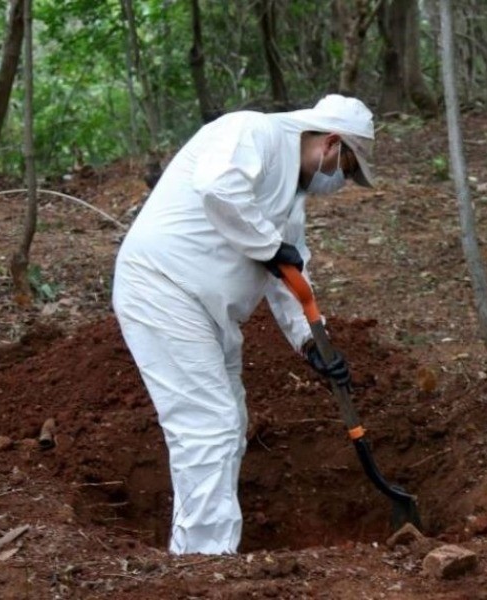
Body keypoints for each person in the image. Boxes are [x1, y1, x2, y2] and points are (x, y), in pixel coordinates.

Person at [111, 94, 375, 555]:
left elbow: (289, 274)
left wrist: (312, 345)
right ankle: (204, 566)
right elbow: (218, 188)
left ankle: (200, 550)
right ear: (331, 143)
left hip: (208, 309)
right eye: (348, 169)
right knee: (208, 424)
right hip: (161, 288)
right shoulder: (253, 132)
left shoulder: (291, 199)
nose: (343, 182)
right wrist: (271, 248)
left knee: (229, 421)